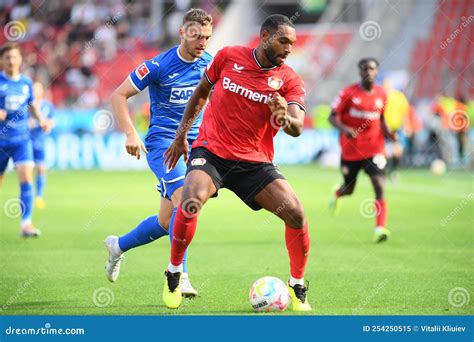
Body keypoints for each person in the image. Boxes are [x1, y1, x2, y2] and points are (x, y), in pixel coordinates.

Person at [162, 14, 312, 311]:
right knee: (190, 201)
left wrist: (283, 117)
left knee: (295, 213)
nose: (289, 48)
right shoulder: (229, 57)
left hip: (254, 163)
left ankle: (297, 284)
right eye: (283, 41)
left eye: (292, 43)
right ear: (265, 36)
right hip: (212, 153)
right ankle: (174, 272)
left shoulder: (289, 79)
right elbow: (201, 92)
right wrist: (181, 136)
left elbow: (296, 127)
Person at [103, 8, 213, 298]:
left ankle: (118, 245)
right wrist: (130, 132)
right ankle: (178, 274)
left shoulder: (210, 64)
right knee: (185, 201)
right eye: (197, 36)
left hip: (196, 147)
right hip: (164, 145)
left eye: (207, 37)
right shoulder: (158, 65)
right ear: (182, 33)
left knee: (167, 222)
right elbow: (118, 95)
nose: (203, 42)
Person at [328, 58, 396, 243]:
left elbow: (381, 118)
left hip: (375, 148)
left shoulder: (382, 94)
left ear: (377, 71)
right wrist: (345, 130)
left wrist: (389, 132)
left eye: (372, 69)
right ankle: (337, 193)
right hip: (351, 150)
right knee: (349, 189)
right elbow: (332, 117)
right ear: (359, 72)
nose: (369, 72)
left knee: (379, 184)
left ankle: (380, 228)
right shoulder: (348, 93)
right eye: (365, 69)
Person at [0, 43, 49, 237]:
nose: (11, 61)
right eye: (7, 58)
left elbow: (32, 106)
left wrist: (41, 120)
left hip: (22, 139)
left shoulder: (26, 83)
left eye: (14, 57)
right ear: (2, 61)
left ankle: (26, 224)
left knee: (27, 178)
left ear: (20, 59)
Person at [29, 82, 55, 209]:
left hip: (40, 141)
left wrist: (47, 125)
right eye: (33, 89)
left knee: (41, 168)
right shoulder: (27, 105)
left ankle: (38, 197)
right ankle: (27, 196)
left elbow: (52, 121)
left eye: (38, 89)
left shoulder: (47, 106)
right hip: (27, 141)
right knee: (27, 171)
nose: (35, 92)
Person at [382, 78, 409, 180]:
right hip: (383, 129)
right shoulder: (381, 97)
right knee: (383, 152)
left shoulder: (399, 96)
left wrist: (407, 126)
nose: (386, 86)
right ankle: (383, 171)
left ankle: (393, 172)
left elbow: (404, 112)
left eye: (388, 84)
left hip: (396, 128)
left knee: (398, 151)